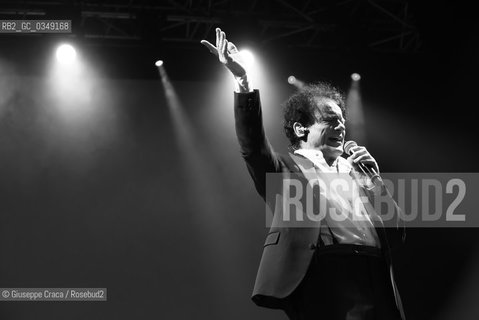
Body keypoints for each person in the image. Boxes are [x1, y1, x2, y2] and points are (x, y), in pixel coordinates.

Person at [201, 28, 406, 320]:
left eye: (342, 122)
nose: (340, 127)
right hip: (327, 275)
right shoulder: (287, 171)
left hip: (374, 273)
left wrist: (375, 180)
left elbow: (396, 234)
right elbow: (253, 147)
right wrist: (243, 81)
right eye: (331, 120)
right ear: (301, 129)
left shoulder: (358, 171)